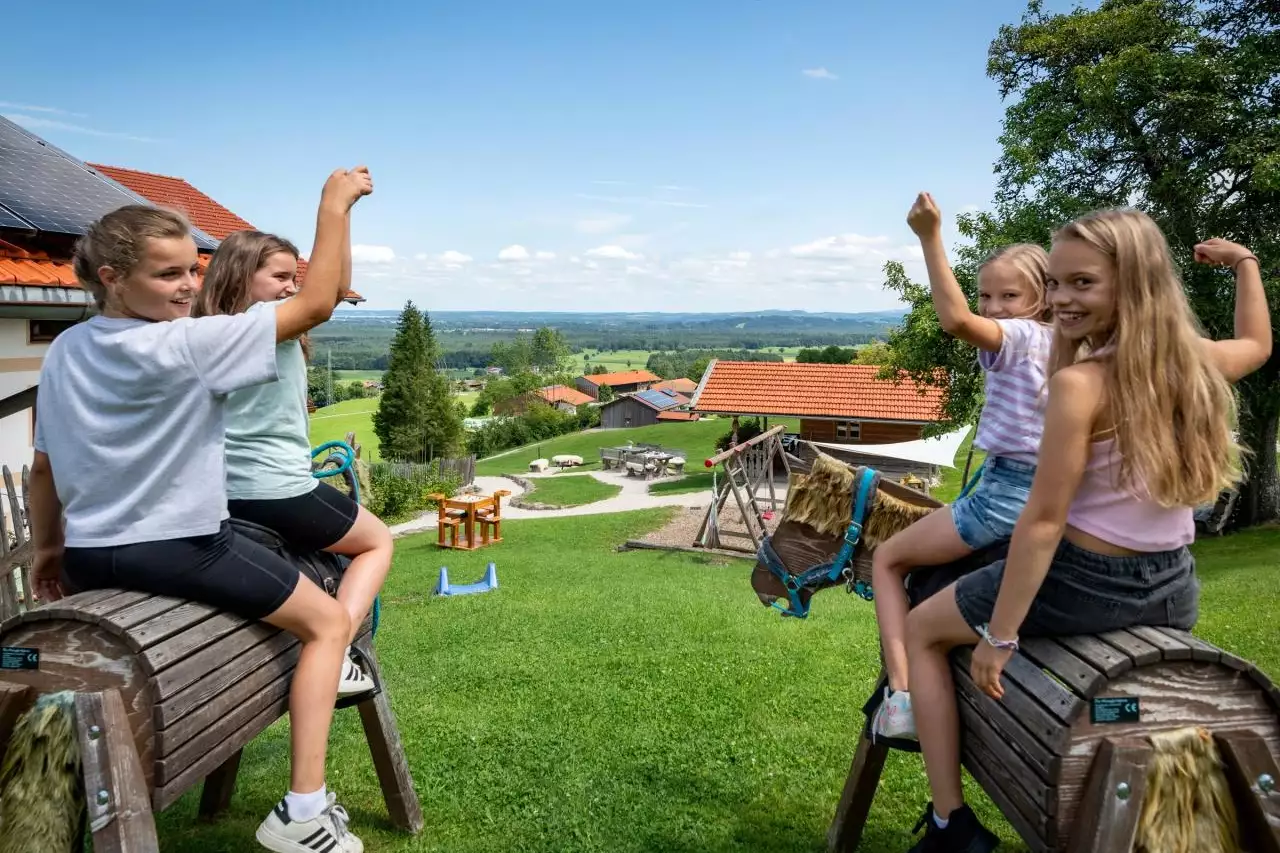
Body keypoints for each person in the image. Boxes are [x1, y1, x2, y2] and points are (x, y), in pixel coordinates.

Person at [29, 167, 377, 853]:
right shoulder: (183, 345)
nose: (188, 285)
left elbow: (43, 467)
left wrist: (47, 551)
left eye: (192, 268)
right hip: (180, 544)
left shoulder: (67, 348)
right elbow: (312, 309)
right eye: (167, 275)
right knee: (329, 620)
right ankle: (303, 811)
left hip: (93, 549)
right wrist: (334, 204)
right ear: (111, 276)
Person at [901, 208, 1270, 852]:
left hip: (1083, 580)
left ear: (1132, 286)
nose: (1061, 300)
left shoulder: (1081, 383)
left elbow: (1043, 524)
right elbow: (1258, 345)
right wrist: (1245, 264)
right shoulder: (1194, 364)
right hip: (1173, 586)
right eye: (1059, 282)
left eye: (1083, 284)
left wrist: (1001, 634)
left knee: (922, 630)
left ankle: (948, 824)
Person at [869, 192, 1052, 742]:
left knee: (886, 559)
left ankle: (901, 697)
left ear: (1041, 298)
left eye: (1010, 296)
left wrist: (929, 235)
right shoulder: (1062, 340)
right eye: (986, 295)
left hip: (1003, 491)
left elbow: (954, 319)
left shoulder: (1020, 336)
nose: (995, 307)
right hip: (1037, 486)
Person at [193, 223, 393, 701]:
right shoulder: (262, 324)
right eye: (280, 276)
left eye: (293, 278)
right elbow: (327, 298)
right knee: (375, 541)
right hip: (275, 487)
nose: (290, 288)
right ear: (240, 277)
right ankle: (337, 649)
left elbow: (336, 290)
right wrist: (338, 208)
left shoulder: (207, 331)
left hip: (222, 489)